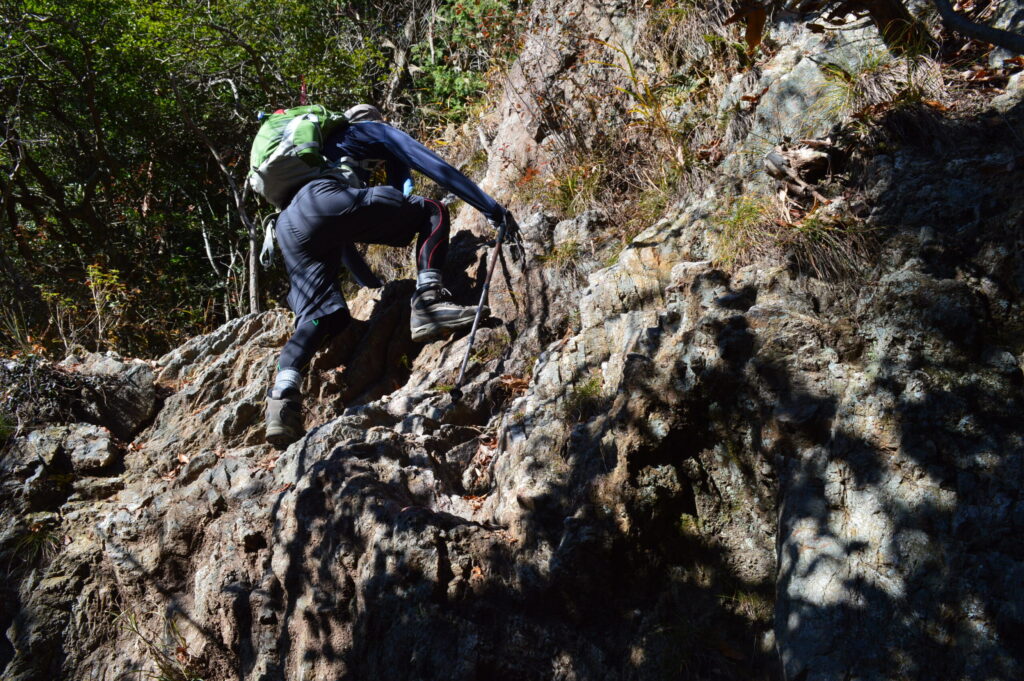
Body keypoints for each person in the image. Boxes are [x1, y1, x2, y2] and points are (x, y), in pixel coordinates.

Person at [264, 103, 510, 447]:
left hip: (288, 225)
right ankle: (427, 303)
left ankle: (282, 400)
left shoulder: (318, 158)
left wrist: (370, 286)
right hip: (327, 203)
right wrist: (491, 208)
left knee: (320, 318)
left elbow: (343, 239)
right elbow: (432, 166)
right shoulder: (366, 132)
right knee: (433, 212)